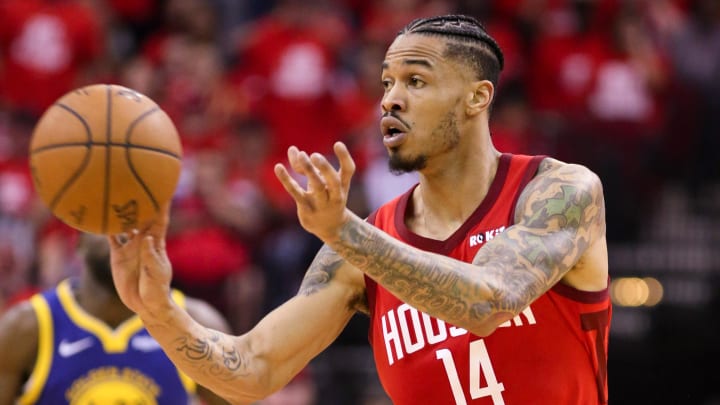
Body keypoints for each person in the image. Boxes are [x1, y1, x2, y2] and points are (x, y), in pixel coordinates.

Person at [105, 14, 611, 404]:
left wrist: (345, 233)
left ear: (477, 98)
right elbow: (251, 369)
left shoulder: (557, 192)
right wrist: (157, 311)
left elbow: (487, 304)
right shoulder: (367, 243)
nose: (390, 99)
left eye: (415, 81)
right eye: (386, 82)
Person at [0, 233, 232, 404]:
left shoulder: (195, 324)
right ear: (79, 241)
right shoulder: (28, 326)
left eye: (130, 220)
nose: (118, 232)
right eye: (105, 221)